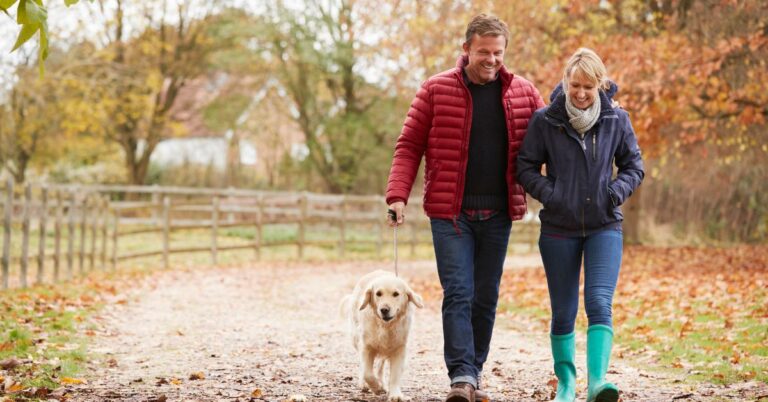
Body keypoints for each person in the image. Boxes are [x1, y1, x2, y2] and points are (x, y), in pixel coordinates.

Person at [385, 14, 544, 402]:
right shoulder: (435, 90)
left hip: (499, 214)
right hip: (449, 212)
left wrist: (603, 105)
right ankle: (461, 376)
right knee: (458, 291)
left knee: (485, 295)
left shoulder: (523, 93)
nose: (491, 60)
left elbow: (554, 134)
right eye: (484, 52)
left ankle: (474, 371)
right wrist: (397, 195)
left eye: (498, 53)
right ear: (466, 49)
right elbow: (409, 146)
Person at [516, 48, 644, 402]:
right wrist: (551, 194)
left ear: (600, 84)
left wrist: (614, 193)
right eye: (575, 85)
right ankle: (567, 384)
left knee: (600, 302)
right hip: (558, 228)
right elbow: (525, 166)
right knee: (564, 310)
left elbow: (634, 166)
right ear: (566, 83)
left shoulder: (617, 120)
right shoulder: (546, 120)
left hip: (604, 225)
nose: (582, 93)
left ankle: (598, 382)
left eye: (589, 86)